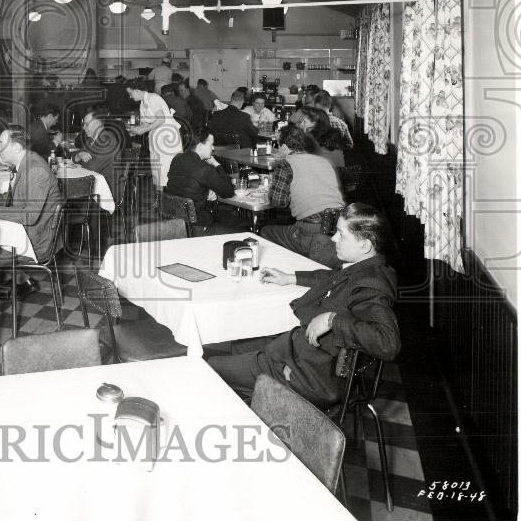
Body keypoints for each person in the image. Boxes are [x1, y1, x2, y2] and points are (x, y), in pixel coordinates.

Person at [208, 203, 400, 408]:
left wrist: (331, 320)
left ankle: (268, 409)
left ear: (365, 245)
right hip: (302, 356)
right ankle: (261, 402)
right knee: (239, 345)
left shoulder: (372, 285)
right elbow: (333, 278)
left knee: (209, 367)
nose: (333, 238)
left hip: (309, 375)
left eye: (341, 234)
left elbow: (388, 343)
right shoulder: (364, 269)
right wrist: (290, 278)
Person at [0, 125, 63, 285]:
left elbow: (29, 215)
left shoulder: (35, 170)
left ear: (16, 147)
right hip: (24, 232)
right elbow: (17, 198)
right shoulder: (25, 162)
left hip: (35, 240)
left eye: (1, 143)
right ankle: (22, 281)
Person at [260, 125, 345, 268]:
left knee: (265, 231)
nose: (278, 149)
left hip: (312, 230)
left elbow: (278, 201)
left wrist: (269, 191)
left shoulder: (286, 164)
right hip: (339, 225)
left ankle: (286, 272)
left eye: (279, 146)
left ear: (285, 147)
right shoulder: (323, 161)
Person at [164, 129, 236, 233]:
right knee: (240, 231)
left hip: (175, 221)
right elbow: (228, 192)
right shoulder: (204, 168)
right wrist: (217, 165)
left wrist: (204, 192)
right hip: (198, 225)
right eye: (211, 144)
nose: (213, 148)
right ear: (200, 146)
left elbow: (183, 185)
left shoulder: (177, 158)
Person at [125, 77, 183, 188]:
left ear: (137, 90)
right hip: (157, 139)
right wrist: (136, 130)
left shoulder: (153, 98)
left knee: (167, 171)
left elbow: (161, 119)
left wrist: (144, 129)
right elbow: (147, 123)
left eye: (130, 93)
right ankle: (160, 199)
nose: (130, 96)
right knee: (158, 172)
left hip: (167, 138)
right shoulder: (143, 103)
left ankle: (170, 200)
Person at [74, 104, 129, 191]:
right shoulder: (90, 140)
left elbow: (91, 169)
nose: (83, 128)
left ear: (97, 124)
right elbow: (75, 159)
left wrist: (78, 162)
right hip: (93, 185)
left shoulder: (108, 141)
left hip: (108, 190)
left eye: (86, 124)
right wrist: (79, 155)